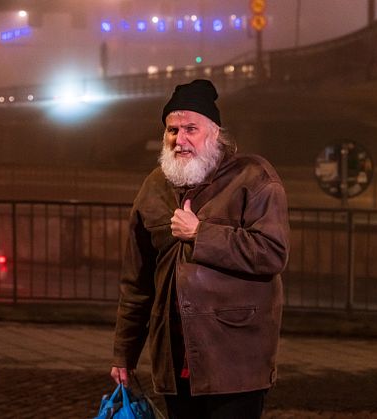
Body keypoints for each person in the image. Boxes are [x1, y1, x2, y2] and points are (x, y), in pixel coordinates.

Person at [111, 79, 290, 419]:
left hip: (235, 362)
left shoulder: (253, 178)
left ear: (215, 133)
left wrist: (201, 234)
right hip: (173, 359)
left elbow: (272, 252)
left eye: (191, 128)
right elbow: (136, 282)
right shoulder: (154, 187)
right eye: (172, 130)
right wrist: (124, 353)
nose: (180, 140)